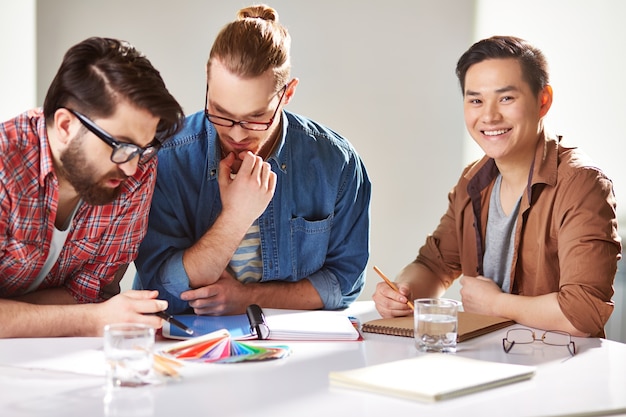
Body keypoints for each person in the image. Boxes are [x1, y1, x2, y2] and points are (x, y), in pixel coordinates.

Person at [372, 36, 621, 338]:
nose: (489, 116)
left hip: (557, 367)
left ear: (543, 100)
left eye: (506, 98)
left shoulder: (581, 184)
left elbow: (583, 314)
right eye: (476, 100)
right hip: (488, 359)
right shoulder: (474, 181)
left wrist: (497, 303)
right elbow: (434, 264)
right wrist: (402, 291)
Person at [134, 4, 371, 315]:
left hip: (291, 342)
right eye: (220, 112)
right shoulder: (167, 158)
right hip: (178, 341)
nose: (235, 133)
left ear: (287, 94)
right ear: (207, 83)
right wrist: (236, 217)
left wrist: (248, 297)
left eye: (254, 118)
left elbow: (343, 283)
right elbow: (160, 287)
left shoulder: (336, 163)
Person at [0, 37, 184, 337]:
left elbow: (90, 291)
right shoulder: (5, 166)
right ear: (65, 126)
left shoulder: (137, 169)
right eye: (120, 145)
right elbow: (93, 309)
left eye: (143, 149)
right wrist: (91, 319)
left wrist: (15, 315)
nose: (131, 168)